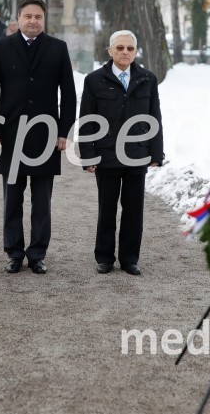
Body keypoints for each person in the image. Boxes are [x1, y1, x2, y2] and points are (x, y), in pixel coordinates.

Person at [0, 0, 77, 274]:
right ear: (19, 18)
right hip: (11, 136)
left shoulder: (58, 48)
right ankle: (13, 252)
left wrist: (63, 132)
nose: (33, 21)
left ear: (43, 20)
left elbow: (68, 95)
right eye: (28, 16)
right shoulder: (1, 47)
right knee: (12, 197)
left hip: (46, 135)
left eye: (38, 17)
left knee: (42, 199)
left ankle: (37, 254)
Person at [78, 30, 164, 275]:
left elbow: (154, 117)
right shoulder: (94, 80)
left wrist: (156, 152)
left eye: (129, 48)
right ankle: (104, 257)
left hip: (137, 155)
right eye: (120, 48)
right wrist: (88, 155)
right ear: (110, 51)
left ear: (135, 52)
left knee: (133, 210)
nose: (124, 52)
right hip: (106, 156)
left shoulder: (147, 79)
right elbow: (87, 120)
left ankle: (129, 259)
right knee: (107, 209)